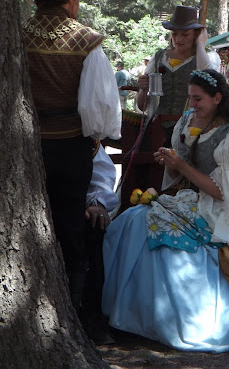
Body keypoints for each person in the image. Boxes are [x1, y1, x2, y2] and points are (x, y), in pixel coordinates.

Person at [102, 69, 229, 353]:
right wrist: (172, 162)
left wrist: (183, 166)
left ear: (217, 98)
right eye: (190, 98)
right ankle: (131, 314)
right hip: (189, 198)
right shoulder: (187, 121)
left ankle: (155, 319)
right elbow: (181, 175)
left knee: (151, 228)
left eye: (198, 99)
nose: (193, 104)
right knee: (131, 219)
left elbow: (221, 191)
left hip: (215, 209)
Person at [23, 0, 121, 313]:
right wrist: (98, 138)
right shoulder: (88, 42)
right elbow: (100, 110)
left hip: (24, 147)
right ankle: (73, 311)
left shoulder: (17, 35)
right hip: (69, 150)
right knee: (69, 227)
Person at [136, 5, 220, 146]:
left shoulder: (207, 58)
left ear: (196, 34)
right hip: (157, 131)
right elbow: (141, 106)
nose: (178, 39)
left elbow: (210, 83)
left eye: (185, 34)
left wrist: (200, 45)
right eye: (174, 34)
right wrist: (143, 89)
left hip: (192, 132)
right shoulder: (158, 58)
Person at [81, 144, 119, 345]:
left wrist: (96, 203)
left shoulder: (83, 133)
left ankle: (92, 318)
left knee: (95, 226)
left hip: (74, 205)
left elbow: (101, 174)